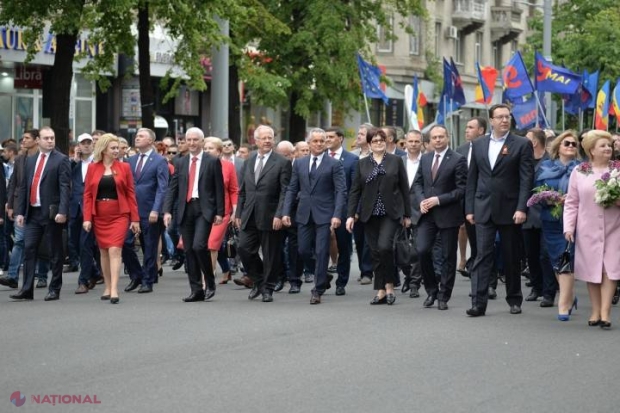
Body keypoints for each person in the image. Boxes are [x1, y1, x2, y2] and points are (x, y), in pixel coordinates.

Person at [465, 104, 534, 316]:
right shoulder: (478, 144)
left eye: (508, 117)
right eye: (500, 117)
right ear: (492, 120)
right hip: (483, 208)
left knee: (511, 256)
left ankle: (514, 299)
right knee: (482, 256)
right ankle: (478, 302)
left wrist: (522, 207)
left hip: (511, 209)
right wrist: (469, 208)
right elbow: (472, 179)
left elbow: (526, 179)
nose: (505, 120)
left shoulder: (522, 144)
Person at [345, 127, 411, 305]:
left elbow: (405, 188)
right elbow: (355, 192)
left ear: (387, 141)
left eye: (381, 140)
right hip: (369, 214)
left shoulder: (396, 161)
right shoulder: (362, 164)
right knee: (375, 252)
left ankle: (390, 286)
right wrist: (351, 215)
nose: (379, 143)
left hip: (391, 213)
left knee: (384, 247)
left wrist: (407, 214)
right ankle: (381, 290)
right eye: (374, 141)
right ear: (369, 144)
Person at [282, 128, 347, 304]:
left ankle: (317, 289)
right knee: (303, 250)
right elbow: (292, 188)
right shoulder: (299, 163)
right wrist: (286, 211)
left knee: (321, 251)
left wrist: (337, 214)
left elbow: (341, 191)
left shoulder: (334, 164)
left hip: (325, 215)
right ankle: (323, 275)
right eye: (315, 141)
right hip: (303, 213)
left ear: (326, 143)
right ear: (309, 143)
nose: (318, 144)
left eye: (321, 141)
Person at [564, 130, 620, 328]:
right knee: (592, 269)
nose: (608, 148)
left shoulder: (618, 168)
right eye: (603, 145)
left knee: (610, 269)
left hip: (615, 227)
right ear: (591, 150)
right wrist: (569, 227)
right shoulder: (580, 171)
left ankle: (606, 312)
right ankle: (595, 310)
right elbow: (571, 202)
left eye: (609, 145)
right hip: (588, 228)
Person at [163, 127, 225, 302]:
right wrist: (167, 210)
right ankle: (196, 289)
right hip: (185, 209)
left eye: (195, 140)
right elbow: (172, 188)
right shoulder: (180, 162)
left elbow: (219, 188)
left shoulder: (212, 161)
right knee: (189, 250)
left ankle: (210, 281)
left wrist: (220, 212)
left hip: (204, 209)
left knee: (199, 246)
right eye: (188, 140)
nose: (191, 143)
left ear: (202, 142)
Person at [10, 126, 70, 302]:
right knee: (29, 249)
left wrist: (63, 211)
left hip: (51, 213)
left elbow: (65, 187)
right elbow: (23, 187)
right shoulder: (30, 160)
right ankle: (27, 289)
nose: (50, 141)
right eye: (46, 138)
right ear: (38, 141)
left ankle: (54, 288)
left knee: (55, 252)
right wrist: (20, 211)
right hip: (32, 213)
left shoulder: (61, 160)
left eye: (52, 138)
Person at [235, 125, 291, 302]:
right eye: (263, 138)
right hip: (249, 213)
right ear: (256, 140)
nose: (267, 141)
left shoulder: (282, 162)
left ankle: (268, 288)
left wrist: (280, 214)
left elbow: (285, 191)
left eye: (270, 137)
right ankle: (259, 280)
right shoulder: (249, 160)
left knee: (270, 254)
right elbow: (242, 190)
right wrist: (238, 213)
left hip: (271, 215)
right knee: (244, 249)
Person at [414, 125, 467, 311]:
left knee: (447, 256)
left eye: (441, 137)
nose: (437, 140)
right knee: (421, 250)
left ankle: (444, 295)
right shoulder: (425, 158)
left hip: (448, 214)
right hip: (426, 214)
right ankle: (431, 290)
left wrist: (438, 200)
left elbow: (461, 190)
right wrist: (421, 200)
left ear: (447, 137)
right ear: (429, 140)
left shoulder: (458, 160)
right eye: (434, 137)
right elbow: (418, 183)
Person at [82, 134, 140, 304]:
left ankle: (114, 289)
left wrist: (135, 219)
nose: (117, 151)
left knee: (115, 249)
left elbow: (131, 193)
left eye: (118, 148)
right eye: (113, 148)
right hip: (99, 214)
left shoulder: (124, 168)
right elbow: (86, 195)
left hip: (119, 214)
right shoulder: (93, 168)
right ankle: (107, 286)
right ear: (104, 149)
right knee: (104, 251)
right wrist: (87, 218)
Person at [535, 130, 580, 319]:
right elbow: (536, 191)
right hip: (551, 220)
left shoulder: (583, 168)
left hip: (575, 220)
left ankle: (564, 303)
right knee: (555, 260)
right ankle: (568, 294)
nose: (570, 146)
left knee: (566, 258)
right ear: (558, 147)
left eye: (573, 144)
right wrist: (550, 198)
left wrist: (572, 199)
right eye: (567, 143)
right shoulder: (545, 166)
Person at [122, 128, 170, 294]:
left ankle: (148, 280)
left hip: (150, 210)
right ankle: (136, 275)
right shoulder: (130, 161)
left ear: (150, 141)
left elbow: (162, 188)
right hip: (131, 210)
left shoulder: (159, 161)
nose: (137, 138)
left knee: (149, 246)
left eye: (141, 136)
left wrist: (156, 209)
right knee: (125, 243)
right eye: (136, 136)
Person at [523, 128, 557, 308]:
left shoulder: (550, 162)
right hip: (527, 215)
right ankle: (536, 287)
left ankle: (548, 292)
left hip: (546, 214)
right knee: (531, 254)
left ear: (534, 142)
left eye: (526, 139)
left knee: (545, 254)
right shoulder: (524, 160)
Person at [324, 127, 359, 295]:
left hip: (344, 210)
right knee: (316, 245)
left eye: (331, 137)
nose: (327, 139)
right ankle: (322, 277)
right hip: (322, 209)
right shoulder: (320, 157)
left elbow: (355, 188)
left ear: (340, 138)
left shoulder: (352, 160)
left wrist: (354, 211)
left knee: (344, 246)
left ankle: (341, 282)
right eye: (326, 137)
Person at [203, 137, 238, 285]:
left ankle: (207, 280)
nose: (207, 151)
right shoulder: (199, 165)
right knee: (204, 244)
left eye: (210, 148)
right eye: (205, 148)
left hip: (222, 211)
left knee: (212, 244)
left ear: (218, 151)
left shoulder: (228, 166)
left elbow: (234, 189)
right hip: (202, 210)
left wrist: (235, 212)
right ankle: (226, 269)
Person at [455, 117, 487, 278]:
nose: (466, 130)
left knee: (485, 240)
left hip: (484, 200)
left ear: (481, 130)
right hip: (465, 201)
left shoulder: (488, 147)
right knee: (470, 235)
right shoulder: (461, 150)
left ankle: (487, 278)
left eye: (470, 127)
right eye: (466, 127)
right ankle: (471, 265)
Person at [70, 133, 102, 294]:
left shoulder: (98, 163)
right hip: (75, 208)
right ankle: (95, 272)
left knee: (85, 244)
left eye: (89, 143)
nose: (87, 145)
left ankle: (83, 280)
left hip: (91, 209)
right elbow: (64, 179)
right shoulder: (73, 164)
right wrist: (74, 160)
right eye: (83, 143)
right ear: (78, 146)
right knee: (74, 243)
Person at [400, 130, 424, 298]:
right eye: (411, 141)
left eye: (417, 141)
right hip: (399, 210)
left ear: (421, 143)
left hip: (421, 211)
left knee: (416, 250)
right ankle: (408, 275)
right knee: (397, 249)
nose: (414, 144)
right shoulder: (397, 161)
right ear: (405, 142)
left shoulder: (428, 160)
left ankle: (415, 282)